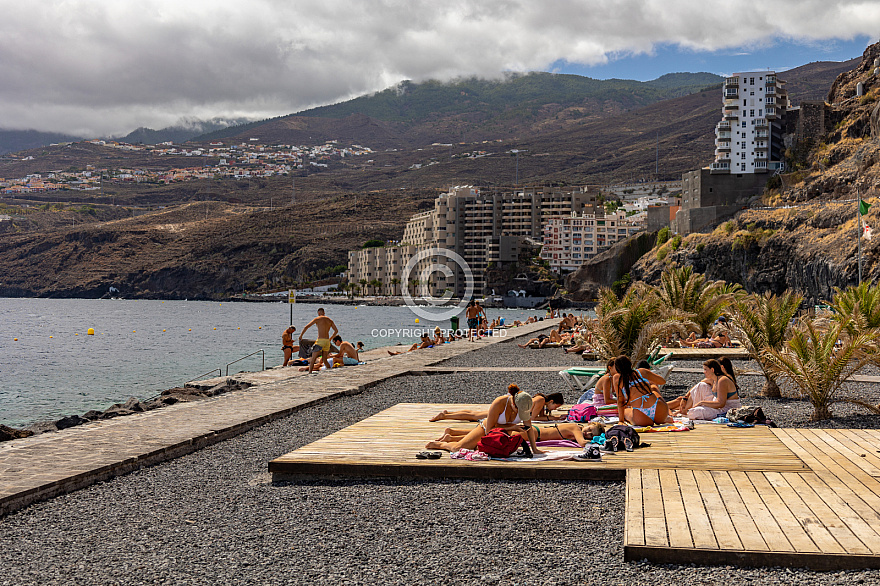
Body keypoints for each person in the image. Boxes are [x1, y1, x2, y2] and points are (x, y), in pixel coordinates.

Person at [425, 384, 544, 455]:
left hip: (503, 433)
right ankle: (441, 444)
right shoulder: (500, 402)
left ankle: (451, 437)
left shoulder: (525, 404)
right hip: (487, 429)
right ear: (513, 403)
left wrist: (535, 449)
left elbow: (528, 428)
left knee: (477, 448)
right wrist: (512, 427)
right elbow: (489, 430)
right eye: (519, 410)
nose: (520, 413)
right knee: (458, 449)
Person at [437, 421, 605, 449]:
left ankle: (452, 436)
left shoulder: (574, 426)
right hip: (531, 434)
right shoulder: (576, 427)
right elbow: (582, 443)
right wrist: (598, 442)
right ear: (589, 424)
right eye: (590, 429)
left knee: (490, 434)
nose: (588, 433)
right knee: (489, 437)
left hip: (532, 431)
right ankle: (448, 440)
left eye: (591, 434)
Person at [612, 355, 671, 426]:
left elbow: (620, 401)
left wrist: (621, 421)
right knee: (654, 391)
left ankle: (624, 419)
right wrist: (648, 382)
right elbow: (662, 381)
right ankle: (664, 419)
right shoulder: (642, 371)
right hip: (660, 410)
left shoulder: (617, 378)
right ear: (630, 364)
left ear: (617, 368)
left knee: (625, 411)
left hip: (641, 416)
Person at [299, 308, 338, 374]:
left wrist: (301, 336)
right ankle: (329, 371)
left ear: (319, 313)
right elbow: (336, 331)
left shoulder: (317, 319)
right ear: (324, 313)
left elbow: (306, 327)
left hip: (320, 341)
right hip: (327, 342)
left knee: (313, 358)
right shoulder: (330, 320)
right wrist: (330, 338)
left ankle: (310, 373)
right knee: (324, 360)